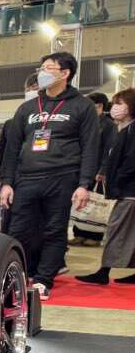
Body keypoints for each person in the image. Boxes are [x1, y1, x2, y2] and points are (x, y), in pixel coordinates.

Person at [0, 52, 100, 300]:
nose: (41, 73)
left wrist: (84, 184)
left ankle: (43, 279)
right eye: (41, 68)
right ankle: (16, 275)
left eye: (48, 68)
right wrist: (7, 182)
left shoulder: (82, 106)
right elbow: (12, 148)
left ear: (65, 73)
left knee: (54, 230)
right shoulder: (28, 107)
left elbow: (91, 147)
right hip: (26, 178)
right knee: (19, 230)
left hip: (63, 176)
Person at [77, 88, 135, 284]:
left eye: (119, 103)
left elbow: (130, 161)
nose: (114, 107)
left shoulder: (131, 130)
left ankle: (103, 271)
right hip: (128, 190)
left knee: (116, 230)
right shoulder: (125, 129)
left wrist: (117, 181)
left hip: (129, 192)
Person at [0, 73, 43, 234]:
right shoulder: (11, 123)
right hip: (16, 181)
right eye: (29, 89)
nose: (32, 92)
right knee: (12, 224)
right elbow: (4, 154)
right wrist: (5, 180)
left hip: (44, 180)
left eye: (36, 89)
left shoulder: (52, 123)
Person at [69, 91, 116, 245]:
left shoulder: (108, 124)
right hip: (83, 167)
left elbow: (110, 148)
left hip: (97, 169)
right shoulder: (87, 122)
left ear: (99, 106)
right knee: (81, 201)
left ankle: (94, 236)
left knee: (96, 202)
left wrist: (103, 169)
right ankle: (79, 232)